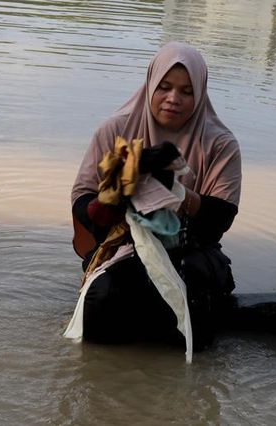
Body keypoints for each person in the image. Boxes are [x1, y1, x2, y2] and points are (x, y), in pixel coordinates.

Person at [70, 42, 242, 350]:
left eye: (186, 92)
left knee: (194, 311)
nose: (173, 99)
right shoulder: (115, 130)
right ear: (150, 84)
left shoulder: (220, 144)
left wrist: (178, 193)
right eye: (164, 87)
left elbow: (220, 221)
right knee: (101, 302)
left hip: (191, 251)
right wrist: (118, 190)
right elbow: (82, 201)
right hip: (124, 246)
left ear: (200, 93)